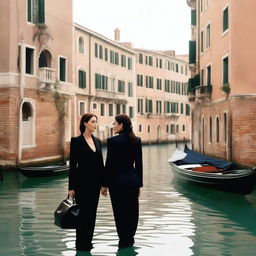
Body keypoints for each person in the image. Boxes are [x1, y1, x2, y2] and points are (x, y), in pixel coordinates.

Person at [101, 114, 143, 249]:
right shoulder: (136, 140)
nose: (113, 126)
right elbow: (139, 165)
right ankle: (130, 238)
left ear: (121, 125)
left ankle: (123, 239)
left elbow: (109, 164)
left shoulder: (112, 141)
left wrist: (104, 184)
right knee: (132, 211)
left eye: (114, 123)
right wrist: (139, 185)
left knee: (119, 212)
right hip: (132, 182)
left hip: (116, 182)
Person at [68, 113, 104, 252]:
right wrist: (71, 187)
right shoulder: (76, 141)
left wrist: (103, 184)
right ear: (85, 123)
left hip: (95, 185)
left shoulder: (98, 141)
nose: (95, 124)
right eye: (92, 121)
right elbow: (73, 165)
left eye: (96, 122)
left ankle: (88, 242)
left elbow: (100, 164)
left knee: (92, 214)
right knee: (82, 215)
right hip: (81, 185)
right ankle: (80, 245)